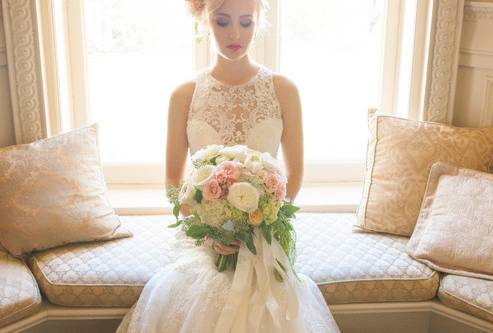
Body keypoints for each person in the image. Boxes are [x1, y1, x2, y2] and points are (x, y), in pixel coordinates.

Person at [116, 0, 341, 331]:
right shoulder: (184, 94)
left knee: (264, 293)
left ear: (259, 22)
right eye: (222, 22)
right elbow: (172, 181)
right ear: (204, 21)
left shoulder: (283, 90)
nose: (235, 33)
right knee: (207, 288)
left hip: (265, 231)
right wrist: (208, 231)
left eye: (246, 23)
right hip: (201, 239)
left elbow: (295, 173)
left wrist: (262, 221)